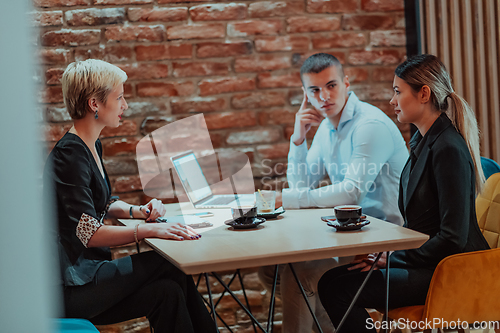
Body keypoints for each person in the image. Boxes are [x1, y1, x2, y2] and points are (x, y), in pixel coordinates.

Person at [317, 54, 490, 333]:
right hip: (428, 261)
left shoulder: (448, 148)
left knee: (340, 290)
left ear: (424, 94)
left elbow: (453, 238)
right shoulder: (423, 141)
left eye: (398, 92)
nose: (392, 101)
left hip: (450, 270)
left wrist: (393, 257)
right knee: (329, 281)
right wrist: (389, 252)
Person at [44, 59, 216, 333]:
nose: (125, 105)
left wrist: (137, 211)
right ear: (94, 104)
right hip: (73, 286)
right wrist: (148, 231)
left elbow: (100, 205)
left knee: (167, 292)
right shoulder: (70, 155)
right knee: (168, 264)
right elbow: (89, 231)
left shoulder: (90, 146)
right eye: (119, 97)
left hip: (91, 275)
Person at [258, 53, 409, 333]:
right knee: (270, 270)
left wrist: (288, 199)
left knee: (300, 274)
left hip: (384, 238)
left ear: (346, 83)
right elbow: (301, 185)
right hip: (351, 234)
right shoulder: (328, 126)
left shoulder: (369, 126)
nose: (324, 96)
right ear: (305, 95)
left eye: (331, 85)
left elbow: (350, 194)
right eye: (314, 90)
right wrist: (298, 138)